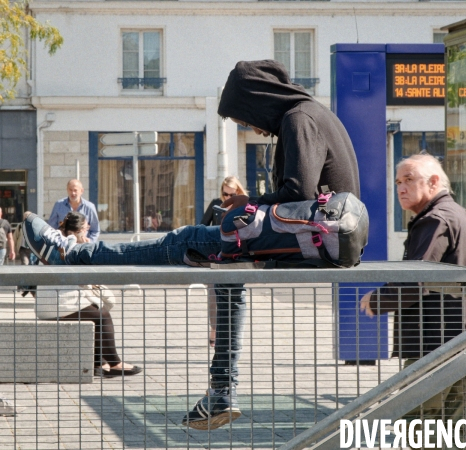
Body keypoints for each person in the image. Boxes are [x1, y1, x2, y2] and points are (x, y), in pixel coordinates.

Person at [22, 59, 360, 430]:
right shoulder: (312, 114)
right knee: (228, 281)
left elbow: (299, 192)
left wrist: (251, 204)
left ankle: (67, 253)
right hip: (311, 243)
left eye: (244, 118)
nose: (249, 126)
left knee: (184, 239)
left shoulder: (299, 119)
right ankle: (219, 395)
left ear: (256, 100)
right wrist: (251, 203)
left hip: (305, 242)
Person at [359, 154, 466, 431]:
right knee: (451, 433)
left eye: (409, 180)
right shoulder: (459, 214)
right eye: (398, 182)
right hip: (462, 341)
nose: (401, 188)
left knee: (418, 428)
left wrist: (378, 299)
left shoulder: (435, 220)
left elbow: (417, 279)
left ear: (434, 182)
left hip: (434, 345)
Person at [34, 211, 142, 378]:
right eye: (86, 228)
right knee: (102, 316)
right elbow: (86, 275)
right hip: (59, 302)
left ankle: (98, 363)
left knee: (95, 314)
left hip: (56, 301)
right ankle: (114, 363)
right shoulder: (71, 246)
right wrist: (85, 249)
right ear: (78, 231)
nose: (88, 230)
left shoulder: (55, 243)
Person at [201, 176, 248, 347]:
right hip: (215, 257)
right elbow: (202, 226)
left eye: (231, 194)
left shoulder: (244, 206)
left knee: (234, 295)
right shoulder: (216, 205)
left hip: (235, 257)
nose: (227, 198)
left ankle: (233, 336)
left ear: (238, 192)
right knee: (213, 294)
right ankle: (214, 331)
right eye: (225, 194)